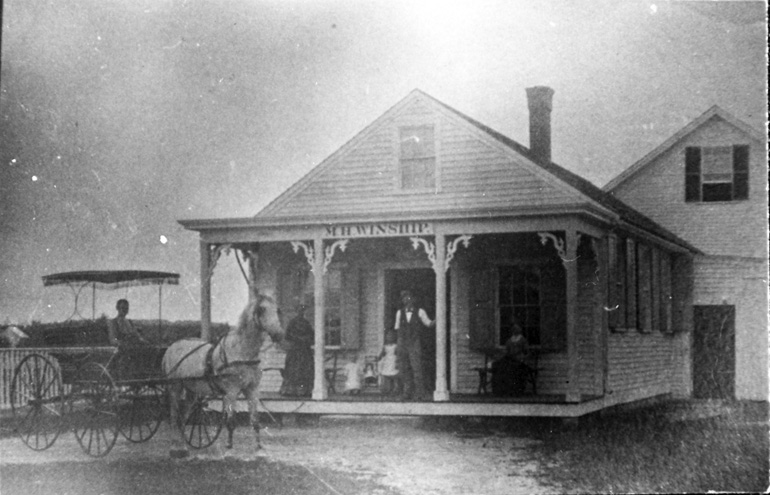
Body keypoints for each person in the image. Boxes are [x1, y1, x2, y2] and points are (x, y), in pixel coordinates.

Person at [394, 290, 435, 401]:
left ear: (413, 299)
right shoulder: (399, 313)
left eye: (408, 297)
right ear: (402, 300)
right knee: (404, 369)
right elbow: (398, 330)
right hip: (403, 343)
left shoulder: (420, 311)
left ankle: (420, 393)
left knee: (417, 368)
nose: (406, 299)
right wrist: (398, 345)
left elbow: (429, 323)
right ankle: (406, 393)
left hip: (414, 343)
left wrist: (439, 318)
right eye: (404, 298)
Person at [281, 304, 314, 397]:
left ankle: (304, 391)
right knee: (293, 370)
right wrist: (297, 338)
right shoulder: (292, 323)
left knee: (305, 370)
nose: (301, 313)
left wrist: (305, 339)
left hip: (305, 350)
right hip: (295, 350)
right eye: (299, 311)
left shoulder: (306, 323)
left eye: (302, 311)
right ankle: (291, 390)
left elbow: (312, 336)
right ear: (296, 312)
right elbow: (287, 336)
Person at [491, 323, 531, 396]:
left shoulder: (522, 340)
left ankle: (515, 390)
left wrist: (523, 358)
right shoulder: (509, 340)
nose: (515, 330)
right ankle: (501, 390)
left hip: (518, 359)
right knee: (499, 366)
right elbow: (507, 350)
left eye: (517, 328)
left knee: (513, 368)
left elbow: (527, 352)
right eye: (514, 329)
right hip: (510, 358)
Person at [377, 329, 400, 396]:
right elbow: (382, 353)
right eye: (388, 336)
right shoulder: (385, 346)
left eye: (391, 336)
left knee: (394, 375)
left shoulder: (395, 346)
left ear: (394, 338)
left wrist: (397, 361)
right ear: (386, 338)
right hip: (387, 361)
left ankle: (396, 389)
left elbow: (397, 354)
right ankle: (388, 389)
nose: (390, 337)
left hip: (393, 360)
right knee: (387, 375)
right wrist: (379, 357)